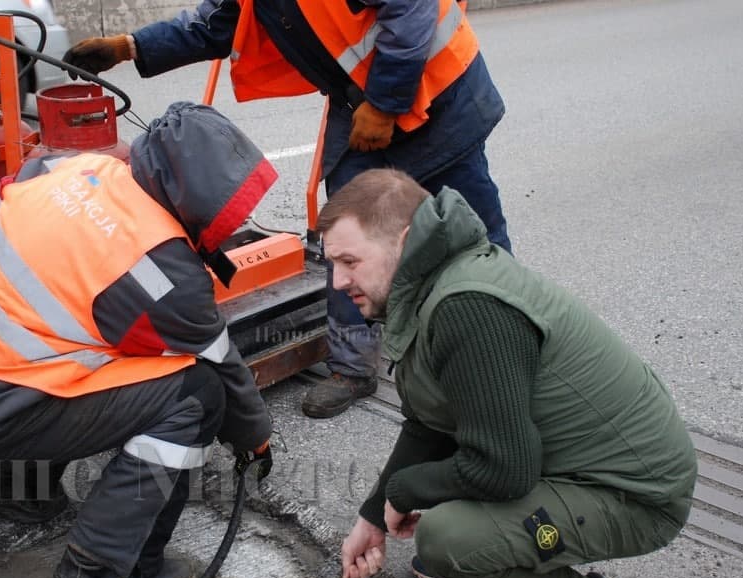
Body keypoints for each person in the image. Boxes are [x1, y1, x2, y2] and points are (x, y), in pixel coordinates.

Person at [62, 0, 512, 419]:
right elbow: (218, 24)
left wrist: (385, 103)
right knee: (346, 229)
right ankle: (353, 367)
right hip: (362, 99)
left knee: (470, 227)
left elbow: (411, 10)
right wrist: (130, 47)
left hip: (440, 93)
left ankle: (505, 345)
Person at [0, 102, 277, 578]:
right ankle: (103, 568)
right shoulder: (163, 270)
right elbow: (223, 368)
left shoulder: (63, 167)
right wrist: (255, 438)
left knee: (65, 352)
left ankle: (6, 489)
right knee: (195, 396)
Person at [329, 169, 697, 578]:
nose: (338, 281)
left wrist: (404, 491)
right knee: (455, 519)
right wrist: (372, 517)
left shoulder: (467, 307)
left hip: (637, 494)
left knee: (448, 542)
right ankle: (505, 552)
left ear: (405, 241)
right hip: (572, 463)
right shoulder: (430, 286)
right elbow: (432, 423)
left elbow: (504, 469)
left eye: (350, 261)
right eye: (332, 263)